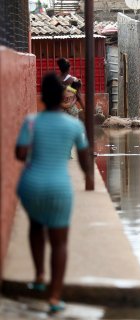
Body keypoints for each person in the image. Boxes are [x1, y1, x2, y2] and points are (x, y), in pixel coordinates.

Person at [15, 73, 92, 314]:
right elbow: (84, 161)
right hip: (59, 188)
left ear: (41, 97)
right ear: (60, 97)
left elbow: (19, 154)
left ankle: (39, 276)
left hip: (30, 186)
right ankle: (54, 297)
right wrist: (90, 177)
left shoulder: (30, 122)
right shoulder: (74, 125)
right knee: (59, 243)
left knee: (36, 226)